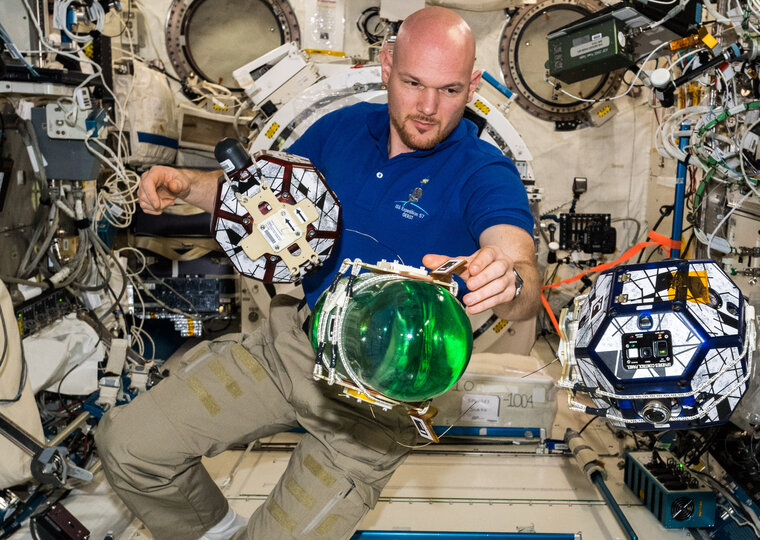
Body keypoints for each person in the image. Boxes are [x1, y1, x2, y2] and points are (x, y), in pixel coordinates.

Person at [95, 7, 540, 540]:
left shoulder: (483, 172)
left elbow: (519, 270)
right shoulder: (340, 130)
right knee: (127, 446)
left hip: (376, 404)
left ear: (472, 85)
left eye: (448, 90)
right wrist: (187, 184)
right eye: (413, 83)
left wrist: (509, 279)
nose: (427, 108)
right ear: (385, 65)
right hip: (291, 349)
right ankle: (216, 532)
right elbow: (263, 199)